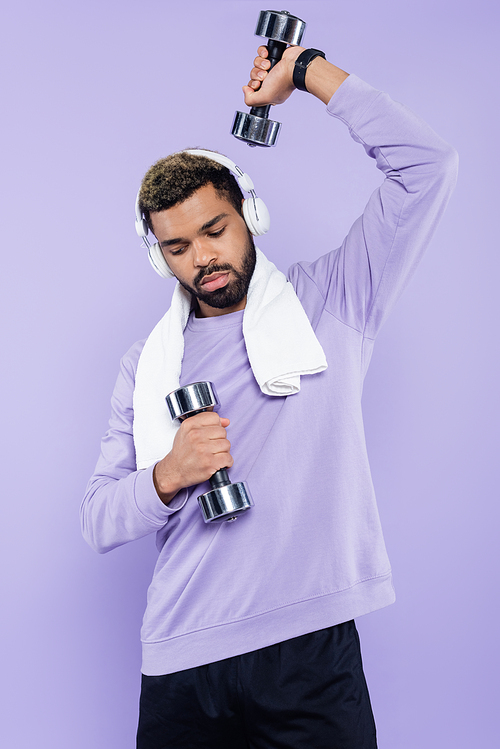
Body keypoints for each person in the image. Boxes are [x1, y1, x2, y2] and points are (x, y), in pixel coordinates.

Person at [81, 41, 458, 749]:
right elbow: (99, 518)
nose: (203, 258)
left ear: (248, 212)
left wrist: (308, 72)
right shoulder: (148, 364)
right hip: (182, 660)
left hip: (310, 656)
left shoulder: (337, 299)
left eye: (214, 230)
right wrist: (167, 476)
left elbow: (429, 167)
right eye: (178, 247)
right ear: (158, 253)